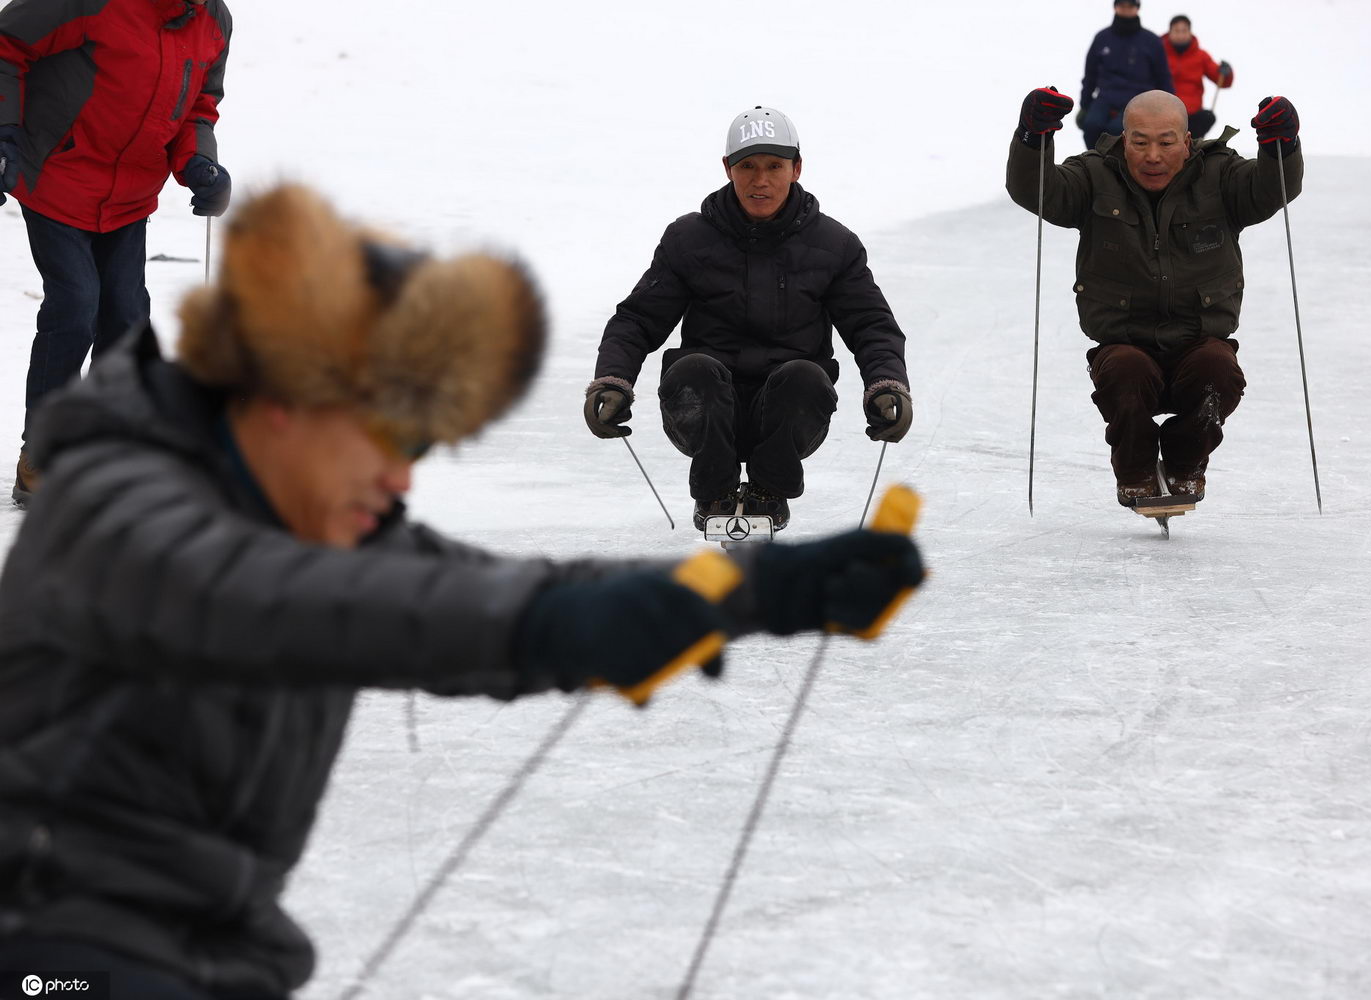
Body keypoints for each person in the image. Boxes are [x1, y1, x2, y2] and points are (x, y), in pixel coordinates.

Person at [0, 186, 925, 998]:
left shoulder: (307, 508)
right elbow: (347, 605)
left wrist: (750, 588)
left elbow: (481, 589)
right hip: (50, 950)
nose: (402, 482)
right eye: (389, 438)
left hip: (209, 950)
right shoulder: (122, 509)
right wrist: (588, 618)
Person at [583, 106, 912, 532]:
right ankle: (714, 492)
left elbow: (871, 326)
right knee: (695, 369)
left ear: (796, 168)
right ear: (727, 169)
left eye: (775, 166)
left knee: (802, 376)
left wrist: (887, 386)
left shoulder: (834, 245)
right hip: (701, 410)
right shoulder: (688, 239)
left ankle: (769, 492)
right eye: (747, 166)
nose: (761, 180)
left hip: (791, 415)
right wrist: (611, 380)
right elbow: (638, 320)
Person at [1008, 87, 1303, 507]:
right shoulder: (1095, 176)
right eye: (1139, 141)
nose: (1152, 155)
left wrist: (1282, 146)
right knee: (1125, 375)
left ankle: (1184, 465)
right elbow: (1036, 189)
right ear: (1123, 139)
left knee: (1218, 372)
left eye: (1166, 142)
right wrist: (1031, 137)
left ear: (1187, 141)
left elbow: (1270, 190)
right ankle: (1136, 470)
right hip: (1124, 344)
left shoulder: (1221, 176)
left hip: (1199, 342)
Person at [0, 0, 233, 508]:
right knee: (75, 307)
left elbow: (197, 107)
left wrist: (199, 164)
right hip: (57, 175)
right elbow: (6, 43)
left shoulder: (213, 20)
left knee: (127, 316)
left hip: (128, 195)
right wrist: (4, 131)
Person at [1078, 0, 1175, 150]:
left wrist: (1170, 108)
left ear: (1137, 8)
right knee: (1091, 126)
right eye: (1122, 5)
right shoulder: (1102, 38)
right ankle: (1095, 165)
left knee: (1117, 130)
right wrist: (1085, 105)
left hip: (1139, 99)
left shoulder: (1151, 41)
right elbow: (1090, 74)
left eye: (1130, 6)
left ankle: (1120, 168)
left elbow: (1163, 77)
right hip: (1106, 96)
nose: (1126, 9)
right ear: (1115, 7)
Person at [1162, 14, 1233, 138]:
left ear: (1190, 32)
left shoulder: (1201, 56)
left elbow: (1222, 81)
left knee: (1208, 117)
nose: (1180, 35)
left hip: (1191, 115)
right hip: (1162, 111)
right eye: (1176, 31)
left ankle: (1192, 148)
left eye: (1184, 31)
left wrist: (1226, 72)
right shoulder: (1158, 52)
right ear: (1170, 32)